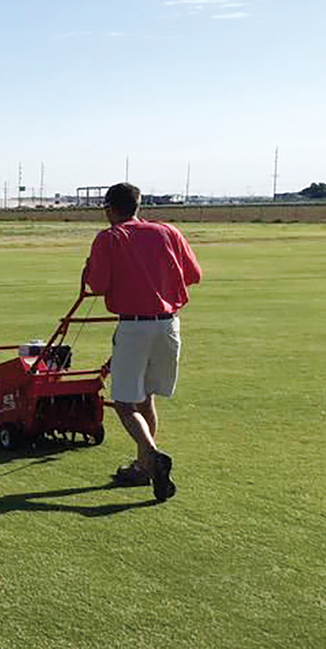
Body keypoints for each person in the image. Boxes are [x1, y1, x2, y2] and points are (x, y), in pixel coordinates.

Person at [81, 183, 202, 502]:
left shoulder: (109, 237)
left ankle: (151, 457)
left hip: (134, 327)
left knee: (123, 403)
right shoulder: (168, 231)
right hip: (169, 325)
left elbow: (97, 284)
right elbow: (193, 275)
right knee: (146, 398)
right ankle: (142, 467)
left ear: (110, 209)